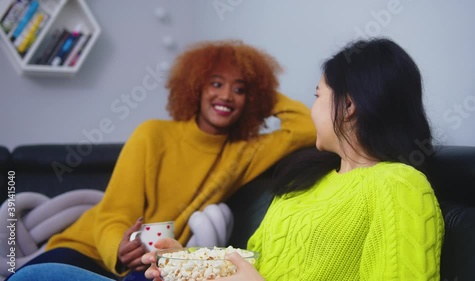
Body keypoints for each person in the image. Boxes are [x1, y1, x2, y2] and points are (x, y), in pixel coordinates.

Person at [6, 40, 316, 281]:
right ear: (195, 86)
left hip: (152, 266)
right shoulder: (153, 134)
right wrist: (119, 247)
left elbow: (305, 127)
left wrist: (261, 91)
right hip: (87, 250)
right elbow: (113, 213)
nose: (226, 96)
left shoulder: (246, 151)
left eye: (240, 89)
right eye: (216, 83)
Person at [142, 37, 445, 280]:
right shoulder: (307, 179)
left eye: (318, 95)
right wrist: (184, 262)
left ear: (348, 104)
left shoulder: (400, 185)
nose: (312, 108)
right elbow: (252, 261)